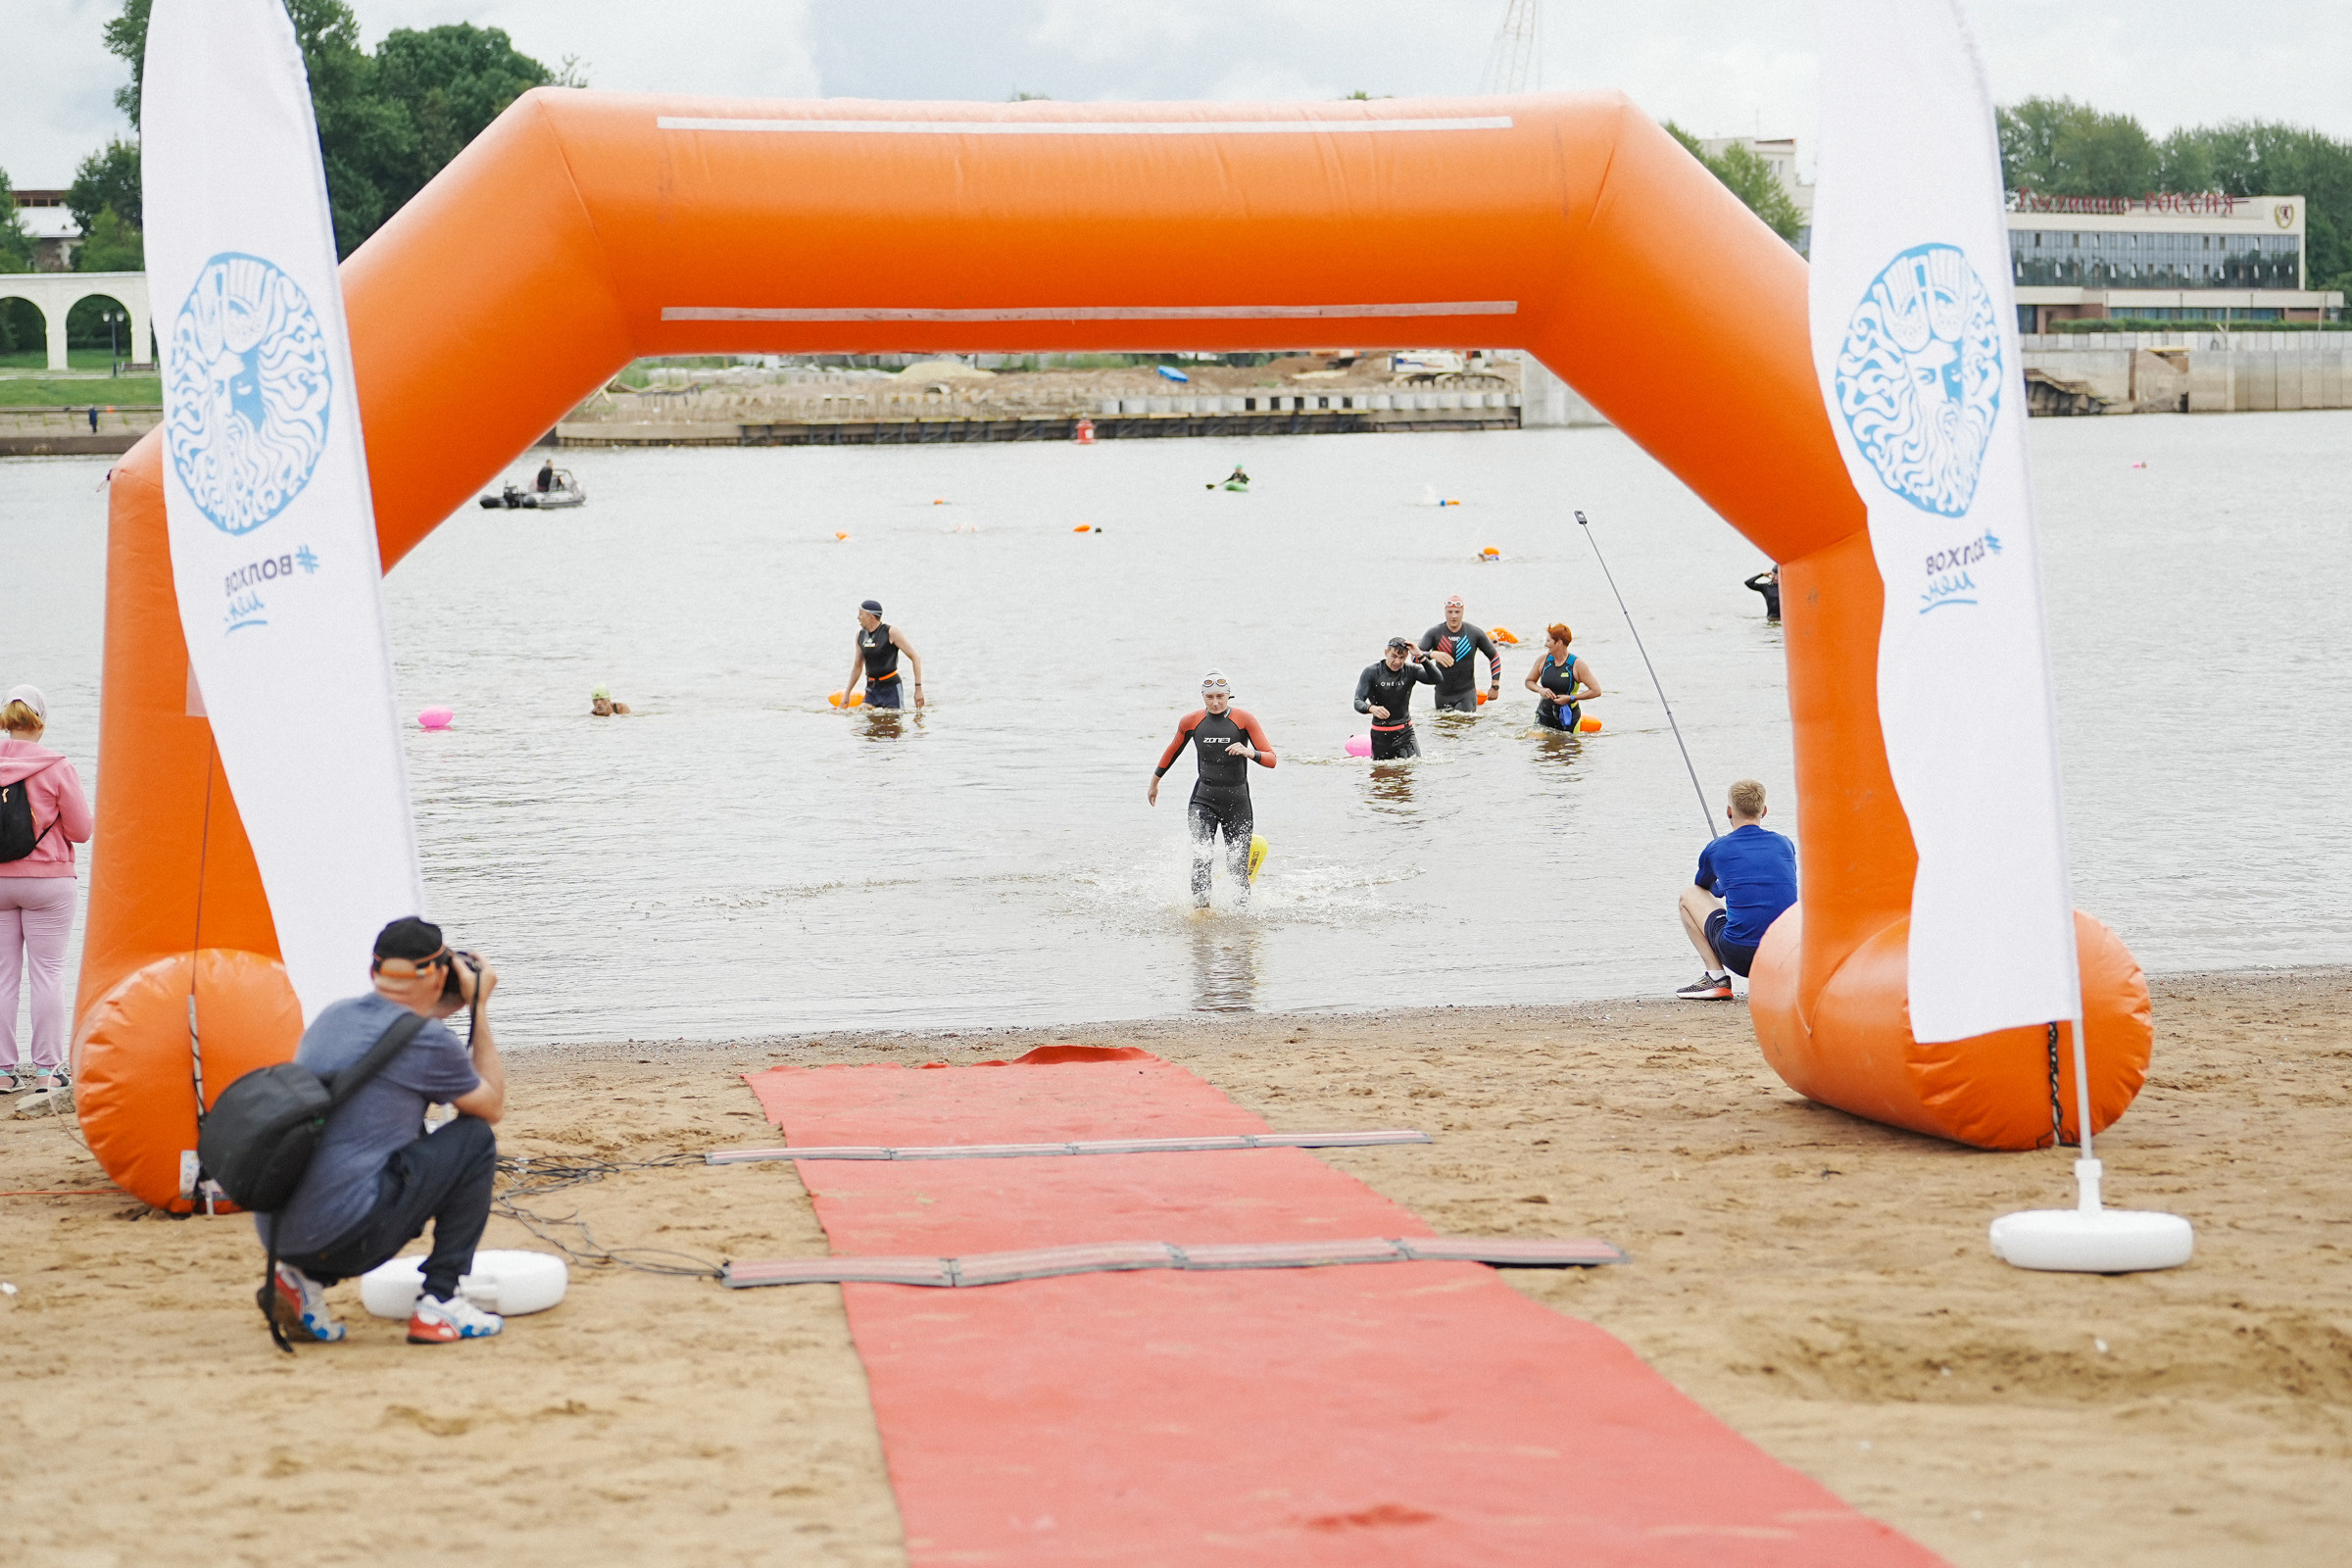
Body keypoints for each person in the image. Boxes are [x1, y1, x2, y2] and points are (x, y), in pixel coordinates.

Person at [257, 917, 508, 1345]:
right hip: (349, 1238)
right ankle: (441, 1301)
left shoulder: (333, 1016)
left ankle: (302, 1281)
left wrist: (442, 1006)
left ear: (375, 971)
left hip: (280, 1232)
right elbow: (491, 1106)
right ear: (441, 973)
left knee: (394, 1141)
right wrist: (479, 1009)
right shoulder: (428, 1042)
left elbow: (388, 1060)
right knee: (475, 1140)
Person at [0, 687, 92, 1096]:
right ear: (40, 721)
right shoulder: (58, 766)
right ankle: (47, 1071)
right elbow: (82, 831)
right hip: (50, 883)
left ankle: (2, 1073)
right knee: (49, 974)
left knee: (3, 977)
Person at [1150, 671, 1276, 908]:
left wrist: (1250, 752)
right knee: (1202, 859)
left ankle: (1241, 923)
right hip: (1203, 800)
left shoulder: (1245, 720)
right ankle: (1201, 918)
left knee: (1237, 867)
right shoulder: (1191, 721)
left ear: (1229, 695)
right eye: (1209, 697)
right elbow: (1172, 750)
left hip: (1237, 802)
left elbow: (1271, 759)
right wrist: (1155, 781)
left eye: (1220, 696)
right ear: (1203, 696)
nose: (1215, 702)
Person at [1676, 779, 1797, 1000]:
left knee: (1688, 896)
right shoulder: (1784, 844)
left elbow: (1703, 887)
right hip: (1784, 956)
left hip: (1740, 956)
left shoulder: (1717, 848)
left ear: (1729, 811)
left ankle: (1716, 978)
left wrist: (1723, 886)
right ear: (1764, 811)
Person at [1353, 636, 1440, 760]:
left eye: (1402, 657)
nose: (1397, 662)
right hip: (1380, 736)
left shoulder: (1411, 671)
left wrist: (1421, 657)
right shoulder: (1371, 672)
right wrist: (1371, 708)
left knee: (1413, 771)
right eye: (1393, 656)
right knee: (1382, 776)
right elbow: (1357, 702)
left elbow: (1437, 679)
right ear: (1386, 653)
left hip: (1405, 734)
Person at [1417, 596, 1501, 713]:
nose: (1454, 616)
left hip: (1466, 694)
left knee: (1465, 728)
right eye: (1450, 612)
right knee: (1443, 729)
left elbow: (1494, 657)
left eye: (1457, 612)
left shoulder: (1474, 633)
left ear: (1463, 612)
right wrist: (1432, 654)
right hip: (1442, 695)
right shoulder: (1434, 633)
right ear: (1445, 612)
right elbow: (1415, 657)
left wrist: (1495, 686)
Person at [842, 600, 925, 710]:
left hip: (891, 689)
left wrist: (918, 688)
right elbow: (857, 667)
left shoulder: (891, 632)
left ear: (871, 617)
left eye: (861, 614)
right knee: (862, 717)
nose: (858, 617)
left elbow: (915, 658)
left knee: (893, 724)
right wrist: (847, 694)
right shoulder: (860, 636)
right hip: (872, 689)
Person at [1524, 623, 1601, 731]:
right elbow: (1529, 681)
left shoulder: (1576, 664)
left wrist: (1571, 698)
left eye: (1548, 641)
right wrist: (1540, 689)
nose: (1546, 645)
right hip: (1543, 714)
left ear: (1559, 643)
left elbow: (1596, 691)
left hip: (1568, 719)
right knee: (1534, 741)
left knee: (1566, 746)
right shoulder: (1543, 660)